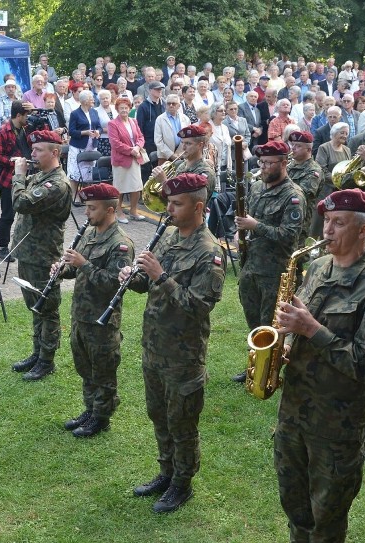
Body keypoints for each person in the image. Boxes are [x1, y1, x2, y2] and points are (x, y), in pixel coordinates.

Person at [274, 188, 365, 543]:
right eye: (326, 221)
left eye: (338, 223)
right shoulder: (318, 267)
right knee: (296, 507)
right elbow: (304, 325)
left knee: (327, 521)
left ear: (364, 230)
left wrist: (312, 330)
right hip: (294, 414)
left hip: (336, 425)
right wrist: (287, 343)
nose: (327, 230)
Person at [121, 172, 225, 513]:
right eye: (168, 201)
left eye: (177, 203)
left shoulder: (209, 252)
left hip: (183, 355)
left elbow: (199, 306)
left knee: (182, 423)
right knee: (159, 415)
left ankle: (182, 484)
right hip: (154, 348)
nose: (169, 208)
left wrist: (160, 276)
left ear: (198, 207)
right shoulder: (167, 237)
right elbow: (148, 285)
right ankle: (166, 472)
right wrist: (134, 277)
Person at [55, 183, 135, 437]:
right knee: (85, 367)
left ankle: (101, 417)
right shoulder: (89, 234)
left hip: (102, 321)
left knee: (102, 372)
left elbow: (114, 284)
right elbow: (77, 268)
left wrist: (84, 264)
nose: (87, 213)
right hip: (81, 315)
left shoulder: (121, 244)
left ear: (110, 210)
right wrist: (63, 270)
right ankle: (90, 409)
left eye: (92, 208)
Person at [232, 141, 305, 383]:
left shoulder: (293, 196)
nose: (263, 167)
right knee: (253, 320)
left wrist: (256, 226)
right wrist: (241, 232)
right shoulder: (255, 188)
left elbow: (289, 237)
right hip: (251, 266)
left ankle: (268, 373)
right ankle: (254, 365)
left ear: (284, 163)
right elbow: (248, 220)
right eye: (261, 162)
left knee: (270, 323)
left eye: (268, 163)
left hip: (275, 272)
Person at [10, 130, 73, 381]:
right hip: (28, 251)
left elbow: (21, 203)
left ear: (54, 153)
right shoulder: (42, 176)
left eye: (38, 150)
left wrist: (18, 176)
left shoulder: (57, 184)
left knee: (47, 308)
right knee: (35, 307)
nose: (32, 154)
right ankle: (37, 352)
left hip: (43, 254)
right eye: (32, 149)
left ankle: (47, 360)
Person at [0, 100, 30, 258]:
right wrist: (16, 162)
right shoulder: (2, 132)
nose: (29, 119)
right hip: (9, 179)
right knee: (8, 215)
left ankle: (23, 244)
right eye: (26, 115)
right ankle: (3, 247)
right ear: (19, 115)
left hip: (28, 177)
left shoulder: (27, 129)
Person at [151, 124, 216, 202]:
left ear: (200, 145)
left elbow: (186, 201)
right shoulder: (181, 165)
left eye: (188, 143)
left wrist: (164, 182)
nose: (183, 147)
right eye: (182, 143)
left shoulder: (206, 173)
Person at [108, 97, 146, 223]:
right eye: (121, 108)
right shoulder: (113, 124)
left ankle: (133, 211)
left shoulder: (133, 121)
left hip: (134, 158)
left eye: (126, 107)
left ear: (130, 108)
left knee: (136, 186)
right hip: (121, 160)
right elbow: (115, 143)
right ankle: (119, 212)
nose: (124, 110)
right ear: (117, 109)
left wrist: (137, 147)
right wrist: (131, 150)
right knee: (120, 188)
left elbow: (140, 137)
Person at [313, 122, 351, 237]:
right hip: (326, 191)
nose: (345, 136)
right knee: (319, 221)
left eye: (346, 133)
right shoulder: (324, 148)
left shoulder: (347, 150)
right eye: (342, 133)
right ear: (334, 133)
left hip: (341, 192)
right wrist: (338, 180)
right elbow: (321, 169)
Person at [286, 129, 323, 239]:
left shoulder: (314, 171)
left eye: (298, 146)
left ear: (309, 149)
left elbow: (303, 195)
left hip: (300, 219)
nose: (293, 148)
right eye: (292, 145)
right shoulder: (289, 165)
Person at [67, 90, 102, 195]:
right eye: (91, 98)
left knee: (88, 172)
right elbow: (71, 132)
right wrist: (84, 132)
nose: (93, 100)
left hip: (92, 146)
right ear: (85, 101)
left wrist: (98, 132)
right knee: (75, 172)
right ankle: (75, 195)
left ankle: (86, 193)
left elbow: (99, 126)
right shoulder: (75, 114)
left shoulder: (94, 112)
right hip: (78, 147)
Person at [153, 94, 190, 165]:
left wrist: (181, 153)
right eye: (169, 103)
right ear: (165, 105)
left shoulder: (185, 118)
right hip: (164, 157)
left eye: (174, 103)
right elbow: (158, 141)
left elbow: (189, 138)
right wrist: (171, 154)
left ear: (179, 106)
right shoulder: (160, 119)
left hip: (182, 156)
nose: (171, 105)